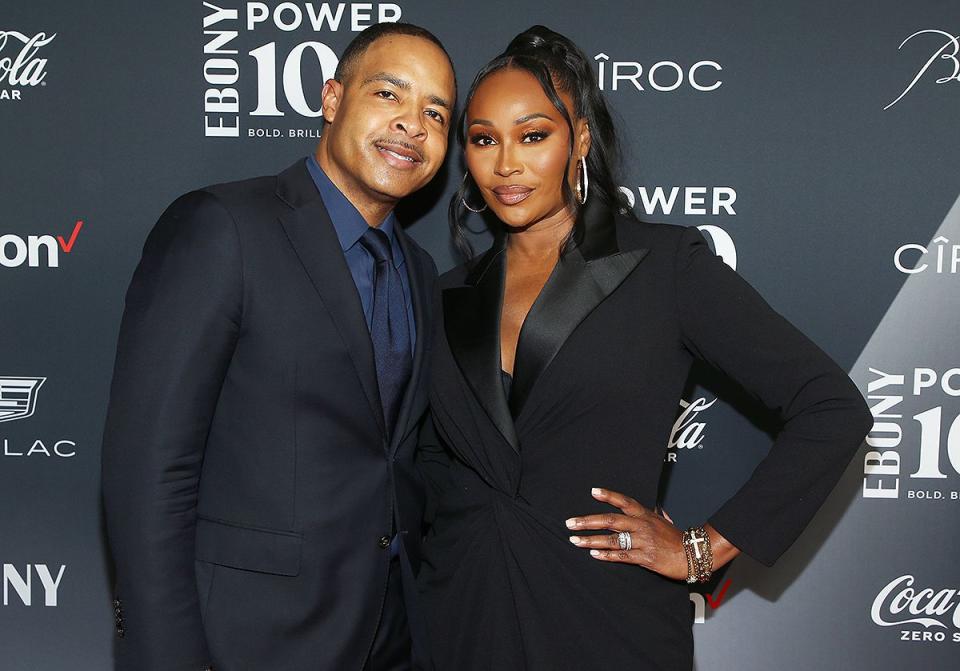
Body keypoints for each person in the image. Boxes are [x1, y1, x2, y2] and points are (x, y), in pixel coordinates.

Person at [415, 25, 873, 670]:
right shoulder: (441, 294)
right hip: (463, 616)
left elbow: (832, 408)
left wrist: (702, 549)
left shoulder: (664, 267)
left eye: (534, 135)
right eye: (484, 139)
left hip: (608, 621)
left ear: (578, 141)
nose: (507, 164)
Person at [100, 22, 455, 671]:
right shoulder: (223, 228)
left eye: (436, 112)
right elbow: (148, 471)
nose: (413, 124)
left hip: (390, 640)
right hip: (245, 642)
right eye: (389, 95)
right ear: (331, 98)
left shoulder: (422, 272)